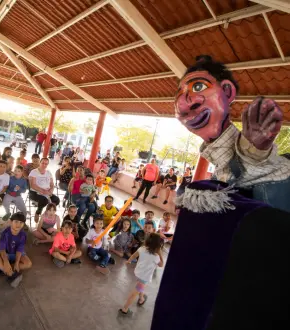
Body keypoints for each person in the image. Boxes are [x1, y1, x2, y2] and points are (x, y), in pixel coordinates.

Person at [174, 55, 290, 212]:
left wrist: (254, 154)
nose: (182, 103)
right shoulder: (218, 175)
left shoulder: (277, 170)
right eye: (179, 93)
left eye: (198, 86)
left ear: (227, 91)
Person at [120, 233, 164, 315]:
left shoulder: (141, 249)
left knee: (140, 286)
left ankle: (141, 297)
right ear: (157, 247)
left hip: (138, 272)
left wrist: (128, 261)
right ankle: (125, 309)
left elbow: (133, 255)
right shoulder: (156, 256)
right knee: (134, 293)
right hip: (144, 277)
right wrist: (160, 253)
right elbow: (161, 265)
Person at [0, 212, 32, 288]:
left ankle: (2, 268)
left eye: (21, 222)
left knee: (28, 264)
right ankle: (13, 275)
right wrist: (6, 261)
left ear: (23, 224)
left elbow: (19, 250)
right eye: (16, 221)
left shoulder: (23, 235)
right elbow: (2, 249)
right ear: (11, 222)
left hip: (17, 254)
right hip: (6, 253)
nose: (18, 224)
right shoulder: (5, 233)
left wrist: (17, 262)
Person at [28, 157, 60, 223]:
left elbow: (52, 184)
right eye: (43, 163)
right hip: (34, 192)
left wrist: (50, 191)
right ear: (40, 163)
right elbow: (32, 185)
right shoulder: (34, 172)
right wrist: (43, 191)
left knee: (56, 200)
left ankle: (47, 213)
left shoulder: (48, 172)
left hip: (47, 192)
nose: (44, 165)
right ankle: (38, 212)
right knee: (44, 200)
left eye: (46, 164)